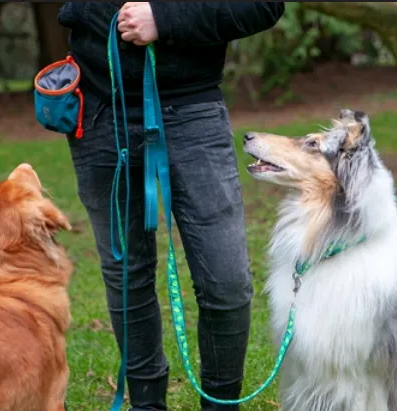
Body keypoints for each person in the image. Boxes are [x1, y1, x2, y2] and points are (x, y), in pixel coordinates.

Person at [57, 2, 285, 410]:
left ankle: (220, 404)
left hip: (194, 109)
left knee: (227, 282)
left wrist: (164, 18)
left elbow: (263, 6)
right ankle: (147, 404)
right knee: (127, 274)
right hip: (101, 112)